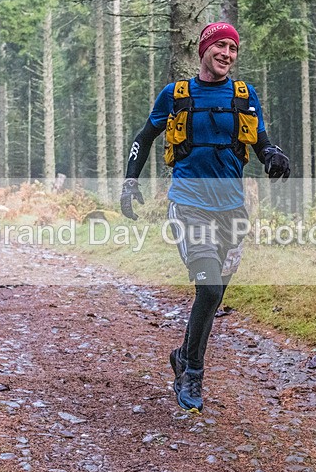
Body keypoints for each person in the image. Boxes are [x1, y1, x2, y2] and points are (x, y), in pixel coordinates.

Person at [120, 22, 290, 412]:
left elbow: (260, 140)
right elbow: (143, 138)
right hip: (188, 204)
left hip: (232, 210)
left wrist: (272, 156)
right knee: (209, 289)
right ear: (204, 50)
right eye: (220, 46)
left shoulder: (245, 96)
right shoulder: (175, 95)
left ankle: (182, 356)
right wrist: (130, 183)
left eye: (233, 48)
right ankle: (192, 374)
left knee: (212, 297)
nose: (227, 54)